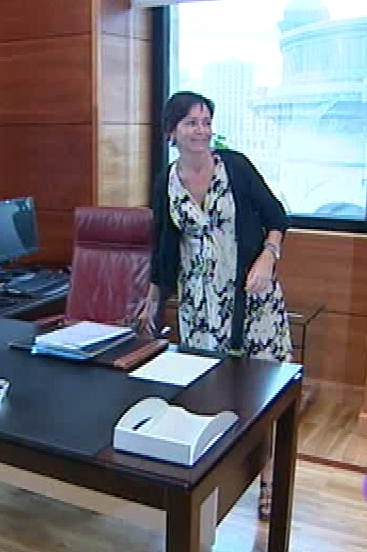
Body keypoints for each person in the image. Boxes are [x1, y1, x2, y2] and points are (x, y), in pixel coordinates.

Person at [139, 91, 292, 521]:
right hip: (199, 309)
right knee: (208, 394)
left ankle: (269, 481)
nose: (202, 130)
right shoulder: (165, 182)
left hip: (253, 302)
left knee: (266, 394)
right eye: (191, 122)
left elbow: (277, 217)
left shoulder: (236, 167)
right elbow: (164, 246)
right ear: (171, 132)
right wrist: (154, 298)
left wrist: (268, 256)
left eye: (206, 121)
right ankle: (210, 481)